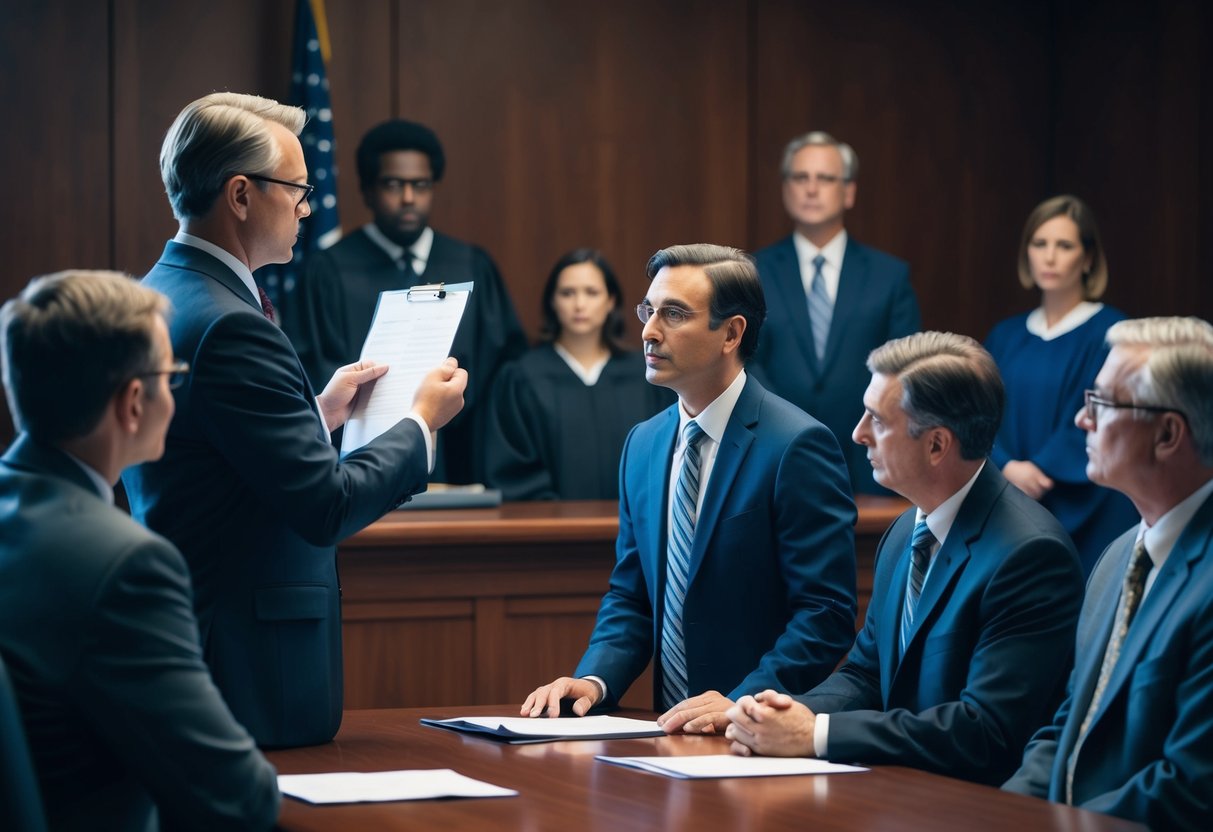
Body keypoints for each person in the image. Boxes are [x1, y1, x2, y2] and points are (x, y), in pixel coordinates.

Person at [121, 93, 468, 749]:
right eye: (297, 190)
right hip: (244, 660)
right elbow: (324, 505)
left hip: (192, 632)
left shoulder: (157, 294)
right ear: (242, 195)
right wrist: (420, 424)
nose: (309, 208)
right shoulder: (231, 325)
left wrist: (317, 413)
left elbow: (206, 455)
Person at [521, 244, 857, 731]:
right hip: (670, 737)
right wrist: (594, 681)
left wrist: (741, 703)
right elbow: (632, 596)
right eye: (648, 311)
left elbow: (825, 615)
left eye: (674, 314)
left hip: (756, 738)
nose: (649, 332)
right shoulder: (644, 443)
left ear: (732, 332)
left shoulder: (798, 445)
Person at [724, 332, 1084, 785]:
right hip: (899, 792)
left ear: (936, 445)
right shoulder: (904, 530)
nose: (857, 433)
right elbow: (865, 674)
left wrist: (816, 733)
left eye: (877, 419)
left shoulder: (1031, 555)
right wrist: (780, 713)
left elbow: (985, 731)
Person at [0, 271, 279, 830]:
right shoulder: (127, 567)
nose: (175, 395)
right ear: (133, 402)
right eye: (171, 375)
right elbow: (237, 796)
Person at [1004, 317, 1213, 829]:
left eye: (1101, 402)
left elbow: (1190, 788)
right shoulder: (1118, 556)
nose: (1081, 419)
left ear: (1167, 434)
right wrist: (1001, 814)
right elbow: (1067, 729)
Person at [284, 118, 526, 484]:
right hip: (360, 467)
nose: (409, 198)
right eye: (393, 185)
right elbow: (312, 367)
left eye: (420, 185)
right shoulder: (329, 270)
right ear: (367, 191)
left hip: (459, 462)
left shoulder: (471, 265)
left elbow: (502, 370)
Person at [751, 131, 921, 496]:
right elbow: (744, 360)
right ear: (785, 189)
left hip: (870, 458)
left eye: (825, 178)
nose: (811, 189)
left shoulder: (888, 276)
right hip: (776, 455)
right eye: (800, 177)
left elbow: (907, 369)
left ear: (848, 191)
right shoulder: (753, 271)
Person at [985, 196, 1137, 574]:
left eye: (1064, 245)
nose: (1049, 257)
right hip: (1007, 499)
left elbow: (1098, 412)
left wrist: (1038, 470)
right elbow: (978, 413)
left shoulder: (1112, 332)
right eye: (1040, 244)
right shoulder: (1005, 336)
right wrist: (1005, 468)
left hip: (1087, 507)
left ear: (1087, 258)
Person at [485, 249, 674, 500]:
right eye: (567, 293)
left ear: (611, 301)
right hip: (552, 529)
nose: (579, 304)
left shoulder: (646, 374)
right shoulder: (522, 377)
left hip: (637, 527)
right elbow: (511, 471)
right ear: (552, 301)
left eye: (591, 292)